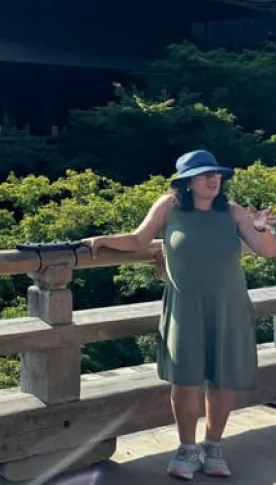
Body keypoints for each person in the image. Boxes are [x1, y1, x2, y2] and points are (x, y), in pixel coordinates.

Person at [82, 149, 276, 480]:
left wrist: (260, 228)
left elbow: (267, 251)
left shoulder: (232, 211)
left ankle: (213, 447)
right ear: (186, 182)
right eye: (205, 175)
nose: (214, 179)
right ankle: (186, 449)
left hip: (228, 306)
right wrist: (102, 241)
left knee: (223, 378)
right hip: (185, 306)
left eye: (216, 174)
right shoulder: (168, 206)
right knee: (185, 380)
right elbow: (139, 239)